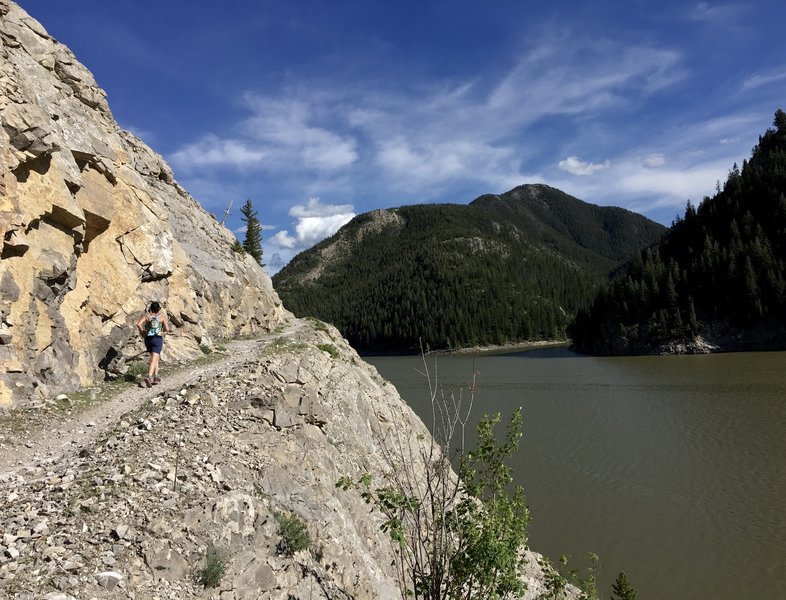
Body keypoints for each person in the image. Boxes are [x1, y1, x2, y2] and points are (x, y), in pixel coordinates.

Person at [136, 301, 170, 388]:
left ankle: (156, 377)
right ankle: (149, 377)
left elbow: (138, 324)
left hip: (148, 339)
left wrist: (143, 332)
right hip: (157, 339)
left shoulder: (147, 317)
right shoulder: (161, 318)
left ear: (150, 308)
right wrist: (162, 332)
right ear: (158, 309)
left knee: (155, 357)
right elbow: (167, 329)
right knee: (154, 359)